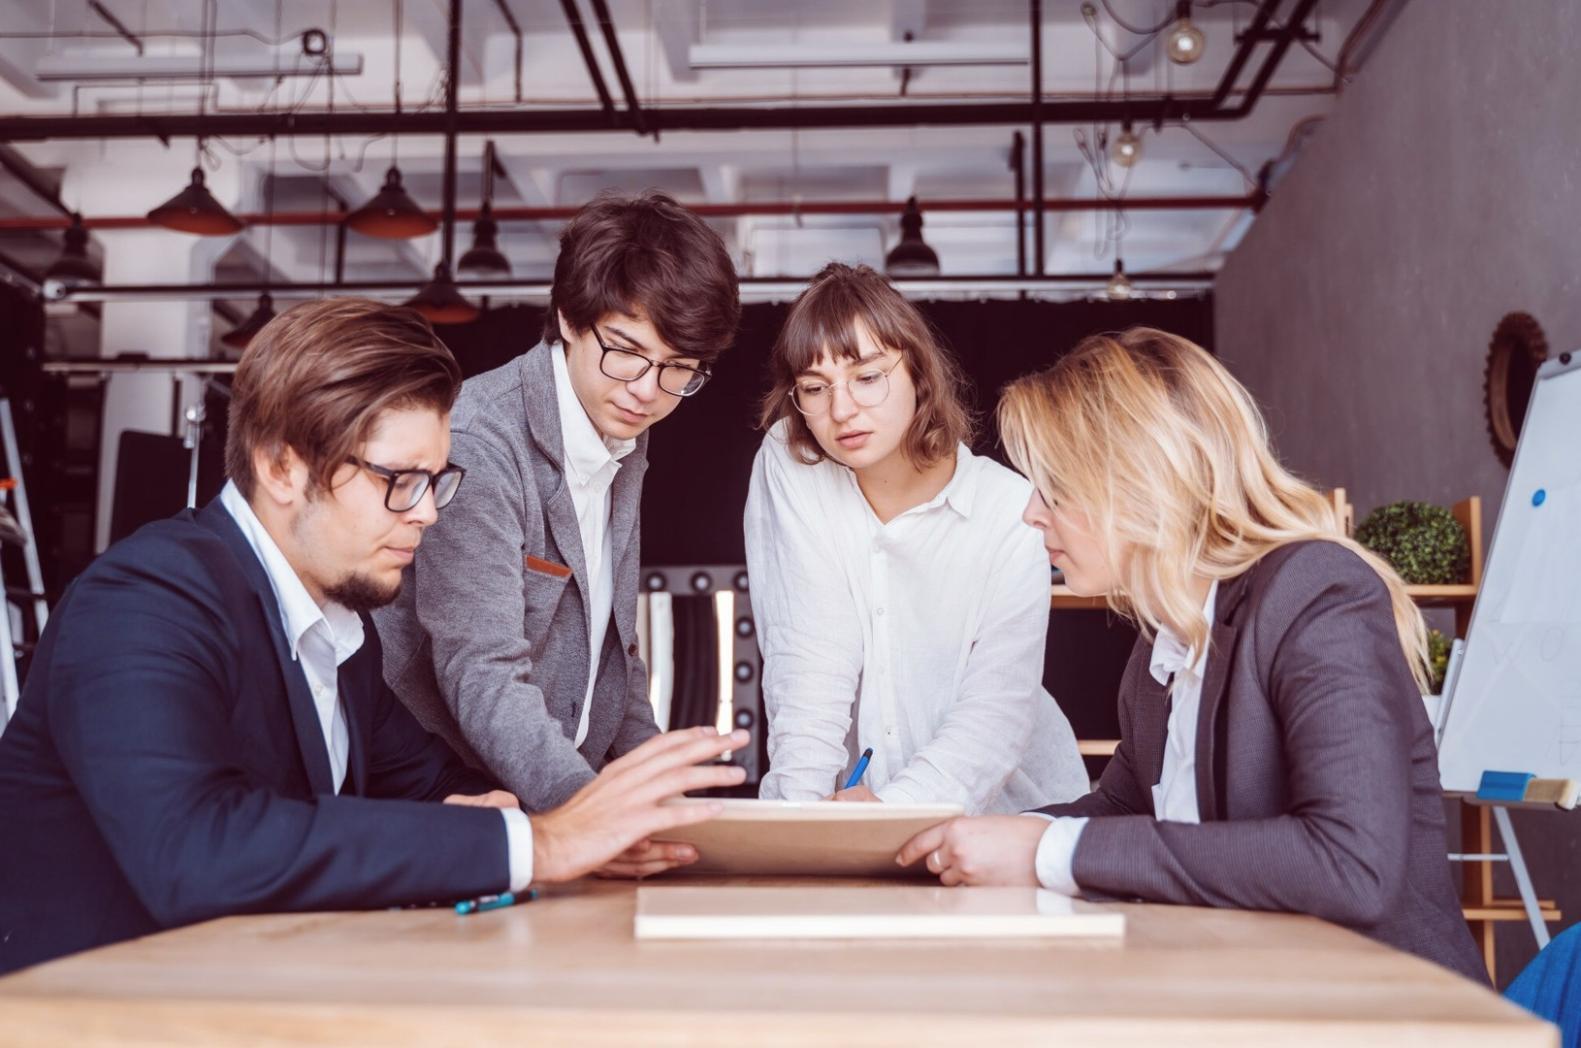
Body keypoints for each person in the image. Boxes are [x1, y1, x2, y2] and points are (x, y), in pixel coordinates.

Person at [0, 299, 746, 974]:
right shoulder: (144, 602)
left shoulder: (344, 636)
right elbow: (198, 851)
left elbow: (432, 790)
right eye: (400, 481)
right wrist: (540, 845)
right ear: (282, 466)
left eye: (435, 480)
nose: (426, 513)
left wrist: (541, 820)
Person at [897, 327, 1486, 982]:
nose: (1031, 514)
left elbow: (1351, 865)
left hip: (1389, 1014)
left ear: (1137, 482)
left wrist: (1044, 849)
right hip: (1251, 997)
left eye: (1053, 489)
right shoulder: (1164, 642)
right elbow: (1122, 809)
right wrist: (947, 839)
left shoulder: (1316, 594)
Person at [374, 192, 740, 877]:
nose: (646, 390)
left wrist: (673, 804)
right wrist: (592, 818)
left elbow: (613, 656)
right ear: (568, 320)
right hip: (462, 803)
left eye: (677, 369)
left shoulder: (622, 430)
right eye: (626, 352)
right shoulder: (481, 440)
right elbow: (478, 668)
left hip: (558, 803)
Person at [745, 263, 1087, 814]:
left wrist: (891, 812)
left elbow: (996, 712)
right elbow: (806, 661)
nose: (841, 409)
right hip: (851, 822)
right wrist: (799, 827)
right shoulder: (793, 462)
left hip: (1004, 815)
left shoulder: (1009, 510)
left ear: (918, 374)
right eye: (815, 387)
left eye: (868, 376)